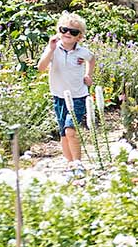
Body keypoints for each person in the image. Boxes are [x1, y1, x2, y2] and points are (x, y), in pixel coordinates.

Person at [37, 11, 96, 175]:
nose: (68, 33)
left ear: (79, 36)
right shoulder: (53, 49)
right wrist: (50, 49)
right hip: (59, 96)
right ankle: (70, 164)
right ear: (58, 30)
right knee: (63, 133)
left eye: (73, 32)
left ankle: (78, 163)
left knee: (71, 130)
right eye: (64, 30)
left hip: (78, 96)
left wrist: (88, 74)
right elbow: (40, 68)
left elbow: (91, 59)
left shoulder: (82, 52)